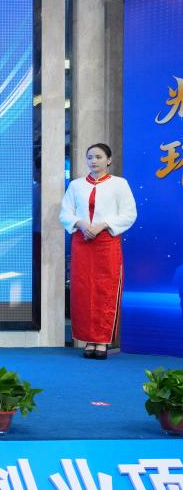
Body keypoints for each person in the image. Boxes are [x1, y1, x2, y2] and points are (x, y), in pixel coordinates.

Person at [59, 143, 137, 359]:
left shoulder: (119, 184)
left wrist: (103, 225)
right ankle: (88, 339)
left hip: (107, 242)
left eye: (99, 157)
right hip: (82, 242)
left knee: (105, 289)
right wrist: (81, 223)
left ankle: (102, 340)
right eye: (90, 157)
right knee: (83, 290)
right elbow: (65, 213)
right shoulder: (76, 185)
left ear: (109, 160)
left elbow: (129, 214)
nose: (93, 161)